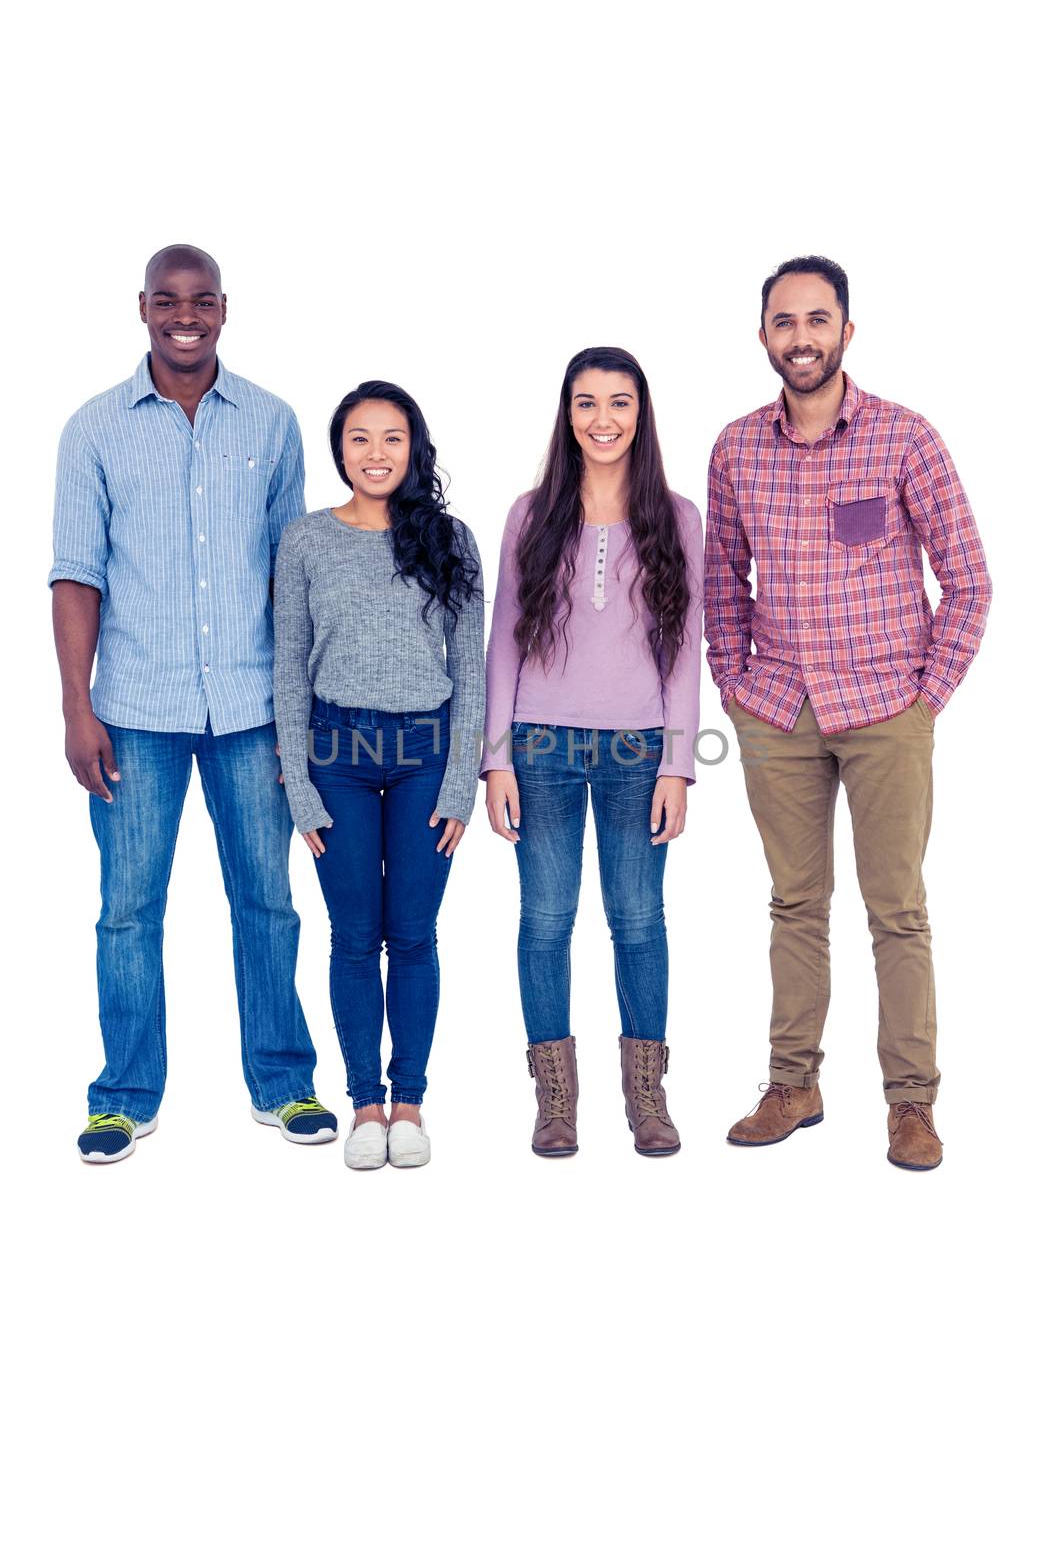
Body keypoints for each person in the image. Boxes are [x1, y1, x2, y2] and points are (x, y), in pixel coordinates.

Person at [51, 244, 336, 1164]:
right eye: (168, 300)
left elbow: (290, 581)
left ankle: (285, 1084)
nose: (186, 315)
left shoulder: (273, 422)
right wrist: (75, 708)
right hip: (134, 709)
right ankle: (123, 1097)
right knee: (127, 909)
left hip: (253, 709)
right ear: (142, 309)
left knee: (268, 901)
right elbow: (75, 576)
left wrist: (300, 711)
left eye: (202, 300)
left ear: (224, 308)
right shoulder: (94, 429)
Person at [706, 255, 992, 1171]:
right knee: (795, 903)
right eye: (783, 323)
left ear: (846, 332)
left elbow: (970, 583)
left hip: (884, 710)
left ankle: (911, 1103)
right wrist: (734, 685)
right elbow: (719, 581)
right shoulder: (736, 448)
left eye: (816, 320)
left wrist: (925, 698)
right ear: (762, 338)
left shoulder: (905, 439)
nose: (801, 339)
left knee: (896, 909)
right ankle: (793, 1083)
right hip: (776, 710)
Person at [483, 346, 702, 1159]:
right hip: (538, 745)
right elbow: (501, 642)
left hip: (640, 749)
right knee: (545, 920)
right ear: (566, 415)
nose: (601, 419)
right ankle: (555, 1102)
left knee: (638, 920)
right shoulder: (528, 513)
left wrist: (677, 764)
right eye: (585, 403)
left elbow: (686, 649)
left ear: (640, 414)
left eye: (618, 403)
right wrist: (495, 759)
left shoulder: (678, 517)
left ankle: (646, 1096)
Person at [273, 382, 484, 1171]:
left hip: (428, 756)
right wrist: (300, 786)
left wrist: (461, 780)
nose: (375, 454)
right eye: (359, 439)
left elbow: (472, 669)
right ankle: (364, 1103)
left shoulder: (450, 539)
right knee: (355, 938)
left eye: (391, 438)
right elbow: (287, 671)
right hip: (339, 758)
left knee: (415, 935)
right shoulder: (304, 541)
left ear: (413, 447)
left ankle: (411, 1104)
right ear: (339, 451)